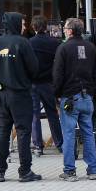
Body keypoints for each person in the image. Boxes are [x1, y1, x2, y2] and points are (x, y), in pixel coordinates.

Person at [0, 12, 40, 182]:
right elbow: (34, 68)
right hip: (20, 94)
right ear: (16, 23)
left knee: (2, 132)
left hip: (2, 94)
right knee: (23, 131)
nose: (24, 27)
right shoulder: (22, 43)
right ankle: (25, 170)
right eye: (23, 23)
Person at [53, 18, 96, 180]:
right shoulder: (91, 48)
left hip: (69, 97)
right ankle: (93, 170)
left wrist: (56, 95)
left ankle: (69, 171)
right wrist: (91, 92)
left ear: (71, 30)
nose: (64, 31)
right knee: (88, 133)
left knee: (68, 134)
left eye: (66, 28)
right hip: (86, 96)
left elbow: (58, 75)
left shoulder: (64, 48)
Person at [28, 15, 64, 156]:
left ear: (34, 27)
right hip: (48, 82)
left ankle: (38, 145)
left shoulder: (29, 43)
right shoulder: (54, 43)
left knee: (34, 114)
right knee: (52, 114)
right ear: (46, 27)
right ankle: (60, 143)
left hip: (33, 83)